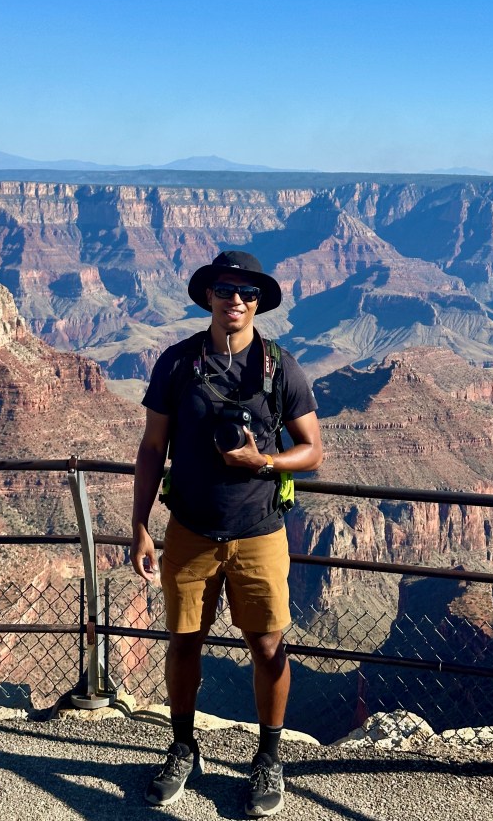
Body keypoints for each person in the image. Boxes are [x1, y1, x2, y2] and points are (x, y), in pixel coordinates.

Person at [130, 250, 322, 817]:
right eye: (224, 289)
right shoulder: (176, 363)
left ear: (259, 301)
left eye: (246, 291)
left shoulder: (281, 367)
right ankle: (183, 746)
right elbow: (150, 448)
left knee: (267, 647)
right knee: (184, 642)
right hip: (188, 529)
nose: (234, 299)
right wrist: (140, 527)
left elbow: (312, 451)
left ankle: (269, 755)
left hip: (260, 531)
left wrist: (262, 462)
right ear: (208, 296)